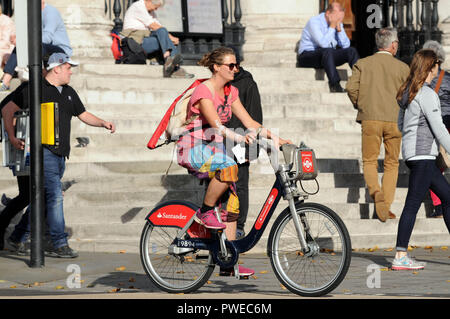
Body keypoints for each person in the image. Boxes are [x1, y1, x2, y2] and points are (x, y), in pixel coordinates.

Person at [176, 46, 291, 276]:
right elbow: (217, 125)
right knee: (229, 166)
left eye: (236, 65)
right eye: (231, 65)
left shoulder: (231, 92)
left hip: (215, 149)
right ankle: (205, 213)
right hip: (193, 148)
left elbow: (251, 122)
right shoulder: (203, 91)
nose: (235, 69)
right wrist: (240, 137)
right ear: (217, 67)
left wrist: (278, 139)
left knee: (233, 204)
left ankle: (227, 261)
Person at [1, 52, 116, 258]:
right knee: (54, 197)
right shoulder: (34, 88)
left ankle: (16, 238)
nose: (71, 71)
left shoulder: (69, 92)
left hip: (61, 154)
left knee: (42, 199)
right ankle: (59, 243)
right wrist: (11, 136)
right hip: (43, 152)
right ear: (57, 68)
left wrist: (103, 123)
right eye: (68, 67)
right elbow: (8, 109)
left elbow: (83, 114)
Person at [393, 49, 450, 270]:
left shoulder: (407, 91)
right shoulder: (426, 94)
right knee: (412, 205)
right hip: (424, 156)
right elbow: (440, 130)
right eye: (436, 67)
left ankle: (400, 254)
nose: (437, 72)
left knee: (447, 197)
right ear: (429, 67)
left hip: (414, 155)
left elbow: (400, 125)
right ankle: (400, 255)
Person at [346, 28, 409, 222]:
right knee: (392, 163)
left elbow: (350, 88)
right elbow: (408, 94)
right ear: (393, 45)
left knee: (370, 161)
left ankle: (376, 193)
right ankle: (385, 206)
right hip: (394, 119)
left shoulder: (362, 64)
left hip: (370, 118)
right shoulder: (403, 68)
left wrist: (361, 104)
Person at [225, 46, 263, 239]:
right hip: (221, 141)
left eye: (233, 65)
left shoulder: (248, 84)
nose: (231, 69)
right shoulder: (221, 84)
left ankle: (239, 226)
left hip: (241, 141)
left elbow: (255, 117)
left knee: (240, 184)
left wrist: (250, 151)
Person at [0, 0, 70, 91]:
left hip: (59, 50)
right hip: (42, 47)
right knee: (22, 46)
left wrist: (24, 41)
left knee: (26, 45)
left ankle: (6, 81)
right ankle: (7, 80)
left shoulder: (50, 13)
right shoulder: (32, 13)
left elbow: (47, 38)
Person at [297, 2, 359, 93]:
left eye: (340, 17)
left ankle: (362, 82)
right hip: (307, 56)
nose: (339, 19)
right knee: (327, 51)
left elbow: (346, 45)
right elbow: (323, 44)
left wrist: (339, 29)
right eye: (337, 16)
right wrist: (332, 26)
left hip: (327, 56)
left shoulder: (337, 22)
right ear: (328, 13)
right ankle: (335, 85)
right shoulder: (314, 22)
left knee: (351, 51)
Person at [122, 0, 192, 78]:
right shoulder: (138, 7)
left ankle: (170, 61)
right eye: (156, 7)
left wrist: (168, 38)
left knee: (162, 31)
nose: (156, 9)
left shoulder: (151, 12)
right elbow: (153, 25)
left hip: (146, 39)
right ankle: (173, 64)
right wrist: (171, 38)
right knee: (164, 37)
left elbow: (161, 29)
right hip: (136, 42)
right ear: (149, 1)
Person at [422, 40, 450, 218]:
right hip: (448, 122)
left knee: (434, 165)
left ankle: (439, 206)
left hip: (434, 125)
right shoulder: (448, 77)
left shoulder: (423, 79)